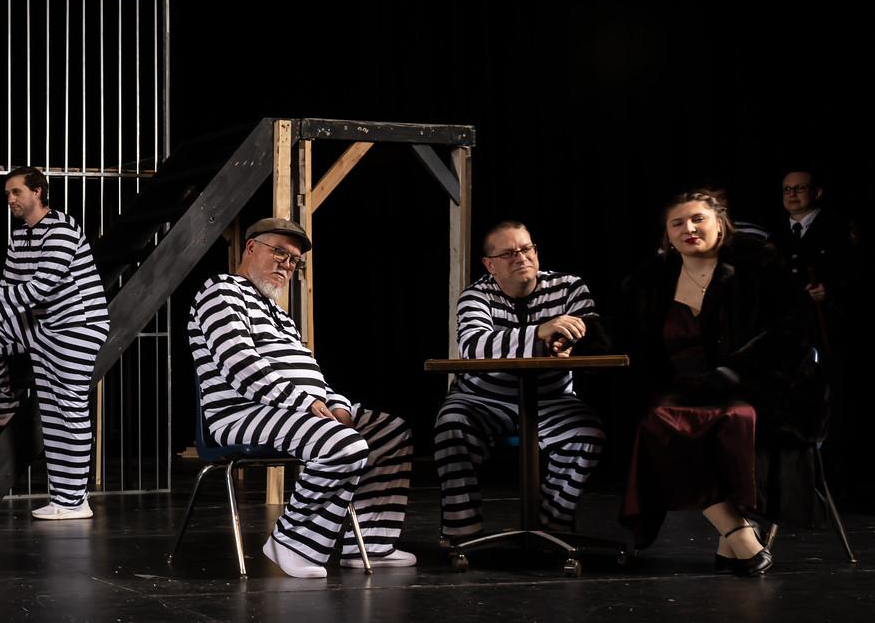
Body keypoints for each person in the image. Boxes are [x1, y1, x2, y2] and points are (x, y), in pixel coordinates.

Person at [187, 218, 416, 578]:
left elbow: (311, 376)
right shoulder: (220, 291)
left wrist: (337, 405)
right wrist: (305, 404)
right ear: (250, 248)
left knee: (390, 432)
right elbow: (241, 365)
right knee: (345, 445)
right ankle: (291, 542)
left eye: (293, 260)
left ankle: (371, 544)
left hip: (295, 409)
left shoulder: (280, 315)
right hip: (241, 412)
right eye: (279, 252)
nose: (286, 264)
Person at [617, 189, 812, 575]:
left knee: (737, 419)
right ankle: (737, 532)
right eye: (677, 223)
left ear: (720, 224)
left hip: (749, 382)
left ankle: (733, 537)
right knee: (660, 421)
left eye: (697, 219)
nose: (688, 228)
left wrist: (732, 373)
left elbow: (790, 330)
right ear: (667, 235)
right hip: (680, 387)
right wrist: (572, 333)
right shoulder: (650, 279)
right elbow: (621, 332)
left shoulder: (758, 265)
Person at [434, 221, 607, 542]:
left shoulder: (569, 287)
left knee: (587, 433)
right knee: (451, 429)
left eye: (526, 249)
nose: (521, 257)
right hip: (481, 400)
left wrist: (571, 342)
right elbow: (474, 347)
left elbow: (592, 333)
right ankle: (462, 538)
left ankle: (552, 528)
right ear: (490, 264)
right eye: (509, 252)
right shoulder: (476, 295)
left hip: (551, 398)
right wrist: (542, 332)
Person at [0, 167, 111, 520]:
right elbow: (11, 286)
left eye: (16, 192)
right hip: (42, 324)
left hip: (77, 324)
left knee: (68, 408)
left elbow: (41, 286)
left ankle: (74, 500)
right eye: (7, 193)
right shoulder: (20, 236)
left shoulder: (61, 230)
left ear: (38, 192)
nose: (9, 199)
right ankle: (63, 496)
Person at [771, 168, 859, 351]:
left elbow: (858, 270)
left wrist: (831, 288)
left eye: (800, 188)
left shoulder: (838, 229)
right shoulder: (775, 235)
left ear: (817, 193)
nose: (792, 194)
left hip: (829, 326)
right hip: (787, 330)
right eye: (786, 190)